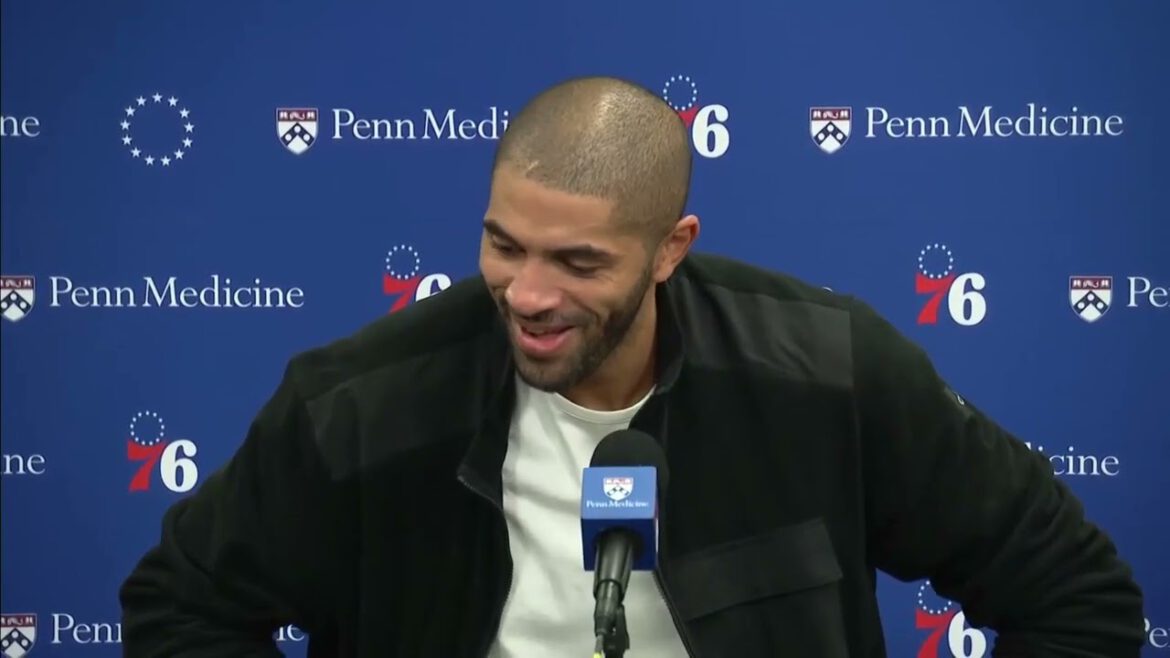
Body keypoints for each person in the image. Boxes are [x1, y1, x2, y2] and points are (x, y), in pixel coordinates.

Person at [118, 76, 1145, 657]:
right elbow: (182, 607)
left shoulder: (827, 370)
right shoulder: (361, 404)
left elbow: (1074, 593)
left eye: (578, 263)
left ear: (668, 250)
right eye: (504, 245)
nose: (527, 294)